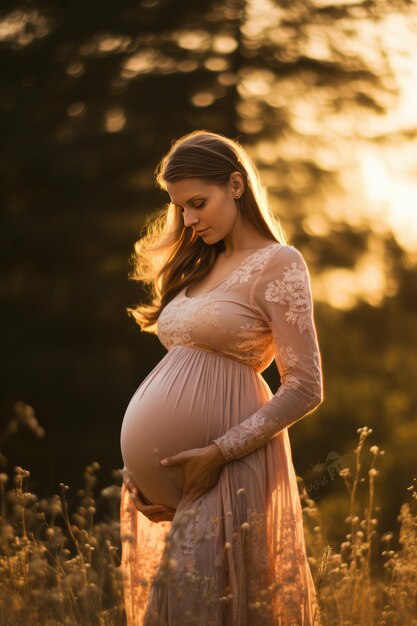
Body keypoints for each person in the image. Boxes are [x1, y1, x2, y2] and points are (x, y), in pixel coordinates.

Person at [119, 130, 324, 626]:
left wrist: (218, 453)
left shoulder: (279, 263)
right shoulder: (199, 265)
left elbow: (305, 386)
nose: (189, 220)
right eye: (180, 209)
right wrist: (150, 477)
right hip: (191, 481)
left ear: (236, 184)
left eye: (197, 203)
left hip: (233, 465)